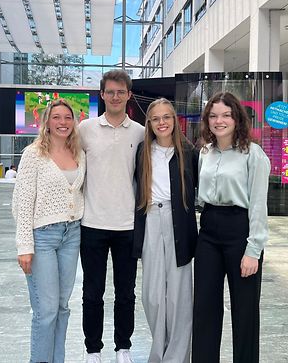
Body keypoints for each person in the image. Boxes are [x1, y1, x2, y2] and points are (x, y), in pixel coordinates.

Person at [192, 92, 271, 363]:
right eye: (213, 115)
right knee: (204, 308)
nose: (219, 120)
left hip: (240, 231)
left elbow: (259, 206)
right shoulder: (205, 152)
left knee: (245, 311)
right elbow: (200, 195)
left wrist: (254, 250)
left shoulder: (254, 154)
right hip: (209, 230)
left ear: (237, 118)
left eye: (226, 115)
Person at [12, 99, 85, 363]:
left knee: (63, 308)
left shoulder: (79, 153)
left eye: (67, 117)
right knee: (46, 311)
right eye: (57, 117)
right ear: (47, 121)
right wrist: (24, 246)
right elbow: (21, 202)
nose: (62, 122)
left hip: (72, 234)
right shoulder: (33, 154)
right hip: (42, 236)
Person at [79, 69, 144, 363]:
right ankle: (93, 349)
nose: (115, 96)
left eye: (121, 92)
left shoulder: (141, 132)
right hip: (91, 224)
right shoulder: (85, 129)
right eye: (110, 92)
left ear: (129, 95)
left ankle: (123, 348)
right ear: (102, 95)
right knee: (92, 293)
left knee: (125, 293)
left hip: (127, 226)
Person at [133, 98, 198, 363]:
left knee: (180, 297)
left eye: (166, 117)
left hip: (179, 222)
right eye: (156, 118)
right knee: (152, 296)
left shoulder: (188, 152)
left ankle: (177, 357)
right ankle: (159, 351)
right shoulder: (142, 150)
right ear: (149, 123)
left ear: (174, 120)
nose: (162, 123)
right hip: (150, 219)